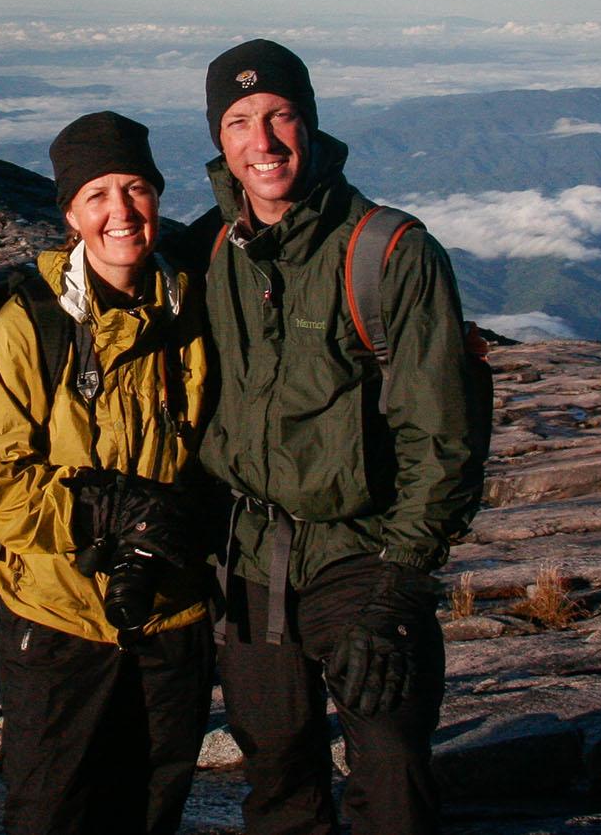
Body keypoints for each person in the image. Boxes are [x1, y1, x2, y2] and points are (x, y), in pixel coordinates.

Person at [196, 40, 481, 835]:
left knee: (388, 762)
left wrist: (398, 592)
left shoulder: (388, 252)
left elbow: (444, 440)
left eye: (281, 115)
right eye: (240, 121)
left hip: (363, 551)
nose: (264, 142)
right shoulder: (213, 251)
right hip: (249, 556)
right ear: (218, 140)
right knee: (277, 769)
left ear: (311, 123)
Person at [0, 111, 215, 835]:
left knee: (151, 814)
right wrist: (107, 510)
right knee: (52, 816)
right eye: (97, 195)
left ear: (158, 198)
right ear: (70, 213)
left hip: (172, 616)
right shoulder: (27, 327)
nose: (120, 213)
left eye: (135, 189)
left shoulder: (193, 309)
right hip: (59, 620)